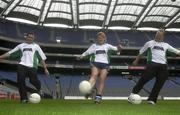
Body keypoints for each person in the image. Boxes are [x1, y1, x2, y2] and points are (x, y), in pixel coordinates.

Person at [129, 30, 180, 105]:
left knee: (159, 84)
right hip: (152, 64)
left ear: (163, 36)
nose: (158, 36)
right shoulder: (149, 43)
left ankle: (152, 99)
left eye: (160, 35)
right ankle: (132, 95)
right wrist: (136, 61)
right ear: (155, 35)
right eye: (157, 34)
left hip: (163, 66)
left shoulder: (166, 45)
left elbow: (177, 52)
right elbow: (141, 52)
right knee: (143, 80)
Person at [0, 32, 49, 103]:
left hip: (32, 66)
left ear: (33, 39)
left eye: (32, 38)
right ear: (26, 37)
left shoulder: (36, 46)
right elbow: (10, 53)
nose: (30, 39)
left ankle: (39, 88)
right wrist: (0, 57)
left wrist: (45, 68)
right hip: (22, 65)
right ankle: (24, 99)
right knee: (20, 81)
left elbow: (41, 58)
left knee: (33, 80)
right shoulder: (21, 46)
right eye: (29, 37)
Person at [78, 32, 122, 103]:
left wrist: (120, 48)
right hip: (95, 63)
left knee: (102, 79)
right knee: (94, 75)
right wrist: (81, 56)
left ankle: (98, 96)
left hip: (105, 64)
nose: (100, 39)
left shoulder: (108, 46)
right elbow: (87, 52)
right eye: (99, 38)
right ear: (97, 39)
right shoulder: (93, 46)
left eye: (102, 38)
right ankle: (88, 90)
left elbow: (117, 50)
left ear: (104, 39)